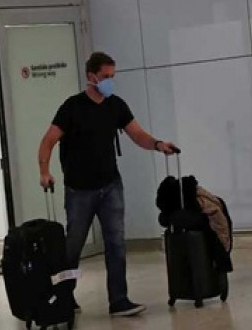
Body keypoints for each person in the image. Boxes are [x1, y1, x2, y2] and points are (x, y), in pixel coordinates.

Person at [38, 52, 178, 318]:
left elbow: (137, 134)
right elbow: (48, 141)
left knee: (116, 243)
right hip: (79, 189)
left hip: (111, 186)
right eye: (105, 77)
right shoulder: (73, 107)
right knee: (73, 245)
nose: (110, 82)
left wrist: (159, 145)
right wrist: (44, 171)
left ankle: (119, 300)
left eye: (113, 77)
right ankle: (66, 297)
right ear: (91, 77)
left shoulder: (116, 106)